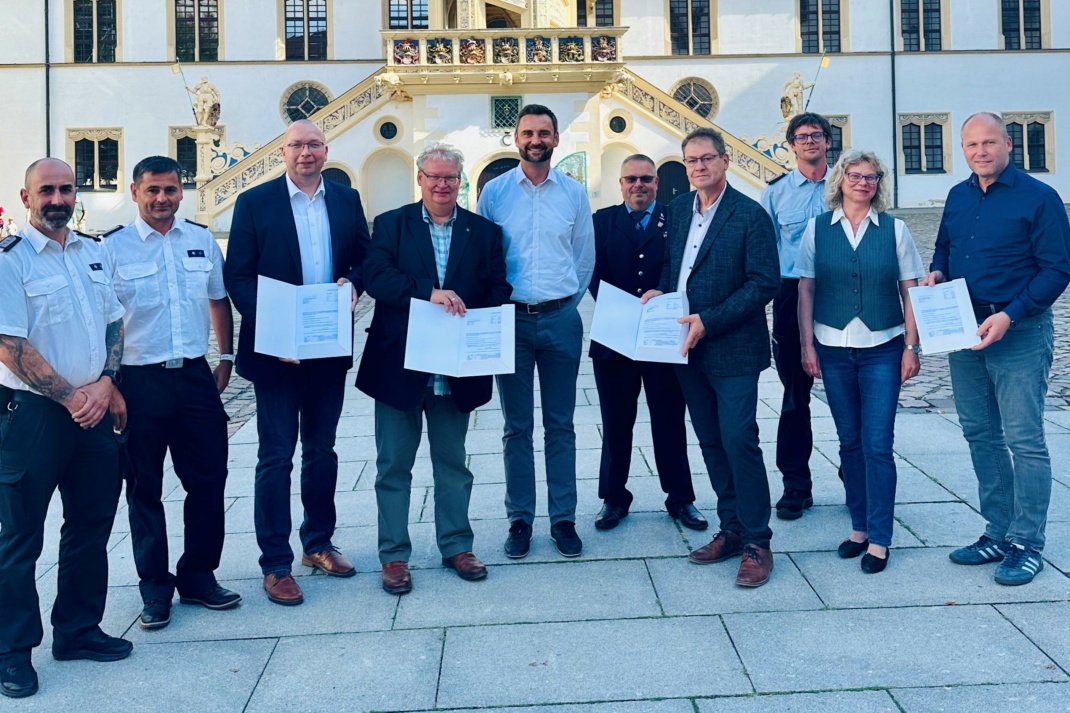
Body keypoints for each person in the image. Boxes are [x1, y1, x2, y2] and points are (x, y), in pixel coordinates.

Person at [223, 119, 371, 605]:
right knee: (275, 456)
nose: (305, 153)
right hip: (278, 350)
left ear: (326, 151)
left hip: (327, 347)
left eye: (313, 144)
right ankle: (275, 563)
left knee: (322, 452)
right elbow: (238, 277)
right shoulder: (255, 203)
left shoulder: (345, 199)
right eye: (296, 145)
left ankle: (318, 544)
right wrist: (275, 326)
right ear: (282, 152)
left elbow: (365, 258)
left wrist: (353, 281)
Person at [0, 158, 131, 698]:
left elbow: (113, 321)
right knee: (19, 538)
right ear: (27, 198)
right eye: (46, 190)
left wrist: (105, 382)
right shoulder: (10, 261)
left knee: (90, 526)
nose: (58, 198)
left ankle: (77, 630)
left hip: (93, 412)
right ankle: (12, 652)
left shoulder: (92, 251)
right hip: (33, 417)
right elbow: (10, 347)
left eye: (65, 188)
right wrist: (73, 395)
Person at [923, 112, 1070, 586]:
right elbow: (944, 247)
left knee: (1025, 440)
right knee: (980, 434)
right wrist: (937, 273)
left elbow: (1056, 270)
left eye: (989, 143)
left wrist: (1010, 314)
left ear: (1009, 143)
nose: (980, 152)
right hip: (964, 329)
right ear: (962, 150)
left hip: (1018, 330)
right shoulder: (958, 195)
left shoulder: (1040, 198)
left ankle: (1027, 542)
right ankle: (998, 531)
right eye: (971, 145)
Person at [357, 144, 511, 594]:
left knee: (453, 465)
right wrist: (430, 292)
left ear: (460, 181)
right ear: (419, 179)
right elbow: (378, 278)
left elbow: (500, 284)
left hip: (455, 367)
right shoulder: (390, 225)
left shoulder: (484, 232)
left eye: (450, 178)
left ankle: (457, 545)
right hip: (398, 368)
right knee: (392, 467)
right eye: (433, 176)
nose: (442, 184)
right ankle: (394, 557)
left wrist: (473, 313)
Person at [102, 156, 241, 629]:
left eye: (170, 190)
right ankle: (154, 588)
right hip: (139, 382)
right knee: (144, 488)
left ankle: (199, 576)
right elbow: (105, 320)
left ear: (182, 192)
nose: (162, 199)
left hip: (195, 377)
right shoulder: (113, 248)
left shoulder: (200, 240)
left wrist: (226, 358)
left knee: (209, 479)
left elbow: (218, 298)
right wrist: (109, 380)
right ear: (136, 192)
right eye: (152, 191)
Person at [642, 128, 780, 587]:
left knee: (739, 438)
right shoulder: (679, 209)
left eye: (706, 158)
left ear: (725, 161)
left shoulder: (750, 215)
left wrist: (710, 320)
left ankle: (758, 541)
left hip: (733, 347)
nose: (698, 166)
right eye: (690, 160)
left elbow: (763, 283)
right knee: (711, 442)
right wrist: (660, 291)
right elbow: (672, 265)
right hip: (686, 348)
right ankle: (732, 529)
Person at [796, 149, 924, 574]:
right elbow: (806, 291)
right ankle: (859, 527)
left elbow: (911, 291)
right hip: (831, 346)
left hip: (884, 347)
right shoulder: (817, 230)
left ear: (878, 184)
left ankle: (881, 538)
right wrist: (807, 346)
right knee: (848, 441)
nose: (863, 182)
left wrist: (912, 346)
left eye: (871, 177)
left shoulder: (896, 230)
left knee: (877, 443)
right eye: (855, 175)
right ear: (841, 180)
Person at [477, 104, 595, 559]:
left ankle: (563, 518)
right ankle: (520, 519)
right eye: (528, 132)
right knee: (516, 426)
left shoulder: (574, 193)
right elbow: (484, 255)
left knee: (561, 424)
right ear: (516, 138)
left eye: (544, 132)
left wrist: (563, 300)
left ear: (556, 138)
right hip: (511, 319)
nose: (535, 140)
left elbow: (584, 257)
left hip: (562, 318)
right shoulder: (494, 193)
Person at [589, 154, 705, 531]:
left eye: (646, 179)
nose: (638, 185)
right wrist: (619, 309)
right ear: (620, 184)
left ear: (657, 183)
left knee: (670, 420)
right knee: (616, 422)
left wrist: (665, 296)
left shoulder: (675, 220)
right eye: (630, 179)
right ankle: (613, 498)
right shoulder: (601, 222)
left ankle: (681, 498)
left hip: (663, 338)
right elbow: (592, 272)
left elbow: (684, 270)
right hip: (615, 338)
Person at [760, 112, 836, 520]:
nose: (809, 142)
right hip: (790, 293)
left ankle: (854, 472)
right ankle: (796, 484)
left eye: (816, 135)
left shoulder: (846, 186)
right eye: (801, 137)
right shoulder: (774, 194)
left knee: (851, 388)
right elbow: (765, 250)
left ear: (828, 141)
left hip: (841, 291)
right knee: (794, 395)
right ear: (790, 144)